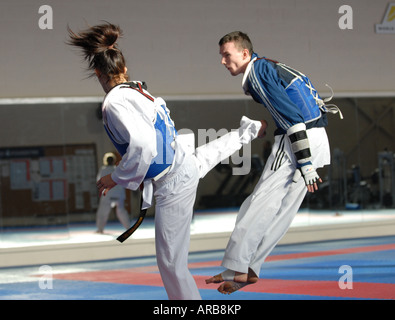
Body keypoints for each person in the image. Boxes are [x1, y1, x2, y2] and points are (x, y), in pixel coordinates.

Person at [67, 23, 266, 300]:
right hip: (180, 160)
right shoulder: (138, 90)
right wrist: (135, 176)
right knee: (210, 153)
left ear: (98, 73)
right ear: (123, 69)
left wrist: (117, 177)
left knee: (171, 264)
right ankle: (250, 130)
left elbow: (145, 145)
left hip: (172, 181)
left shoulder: (114, 102)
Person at [206, 31, 342, 294]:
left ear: (245, 54)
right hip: (316, 137)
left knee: (257, 204)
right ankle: (251, 267)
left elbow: (292, 117)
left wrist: (305, 162)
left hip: (295, 142)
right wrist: (309, 160)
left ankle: (238, 267)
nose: (223, 61)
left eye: (226, 54)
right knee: (283, 211)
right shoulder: (271, 66)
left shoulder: (257, 73)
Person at [95, 152, 131, 233]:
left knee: (102, 213)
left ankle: (100, 229)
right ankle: (128, 228)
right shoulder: (118, 170)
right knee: (121, 211)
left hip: (107, 195)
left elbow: (99, 181)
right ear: (114, 160)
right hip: (119, 195)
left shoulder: (103, 170)